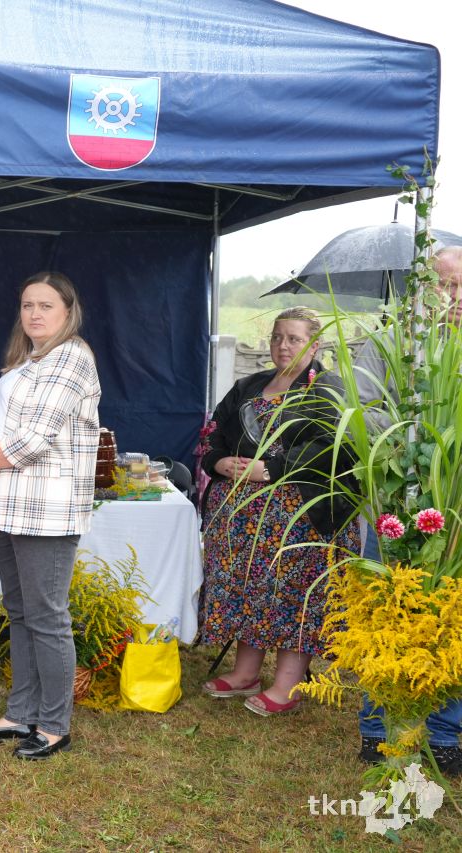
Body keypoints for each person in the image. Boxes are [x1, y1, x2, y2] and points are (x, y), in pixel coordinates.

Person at [0, 271, 101, 761]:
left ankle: (55, 725)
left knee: (47, 618)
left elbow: (32, 441)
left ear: (68, 312)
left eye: (46, 305)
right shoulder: (32, 360)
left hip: (48, 512)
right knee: (21, 613)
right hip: (11, 504)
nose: (35, 314)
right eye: (27, 305)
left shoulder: (72, 358)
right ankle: (21, 712)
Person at [198, 306, 359, 716]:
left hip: (301, 518)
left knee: (293, 595)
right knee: (248, 588)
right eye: (277, 337)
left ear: (314, 344)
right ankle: (246, 673)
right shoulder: (248, 386)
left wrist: (271, 469)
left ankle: (288, 685)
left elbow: (334, 448)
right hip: (242, 518)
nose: (283, 345)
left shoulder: (328, 389)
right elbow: (213, 435)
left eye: (294, 338)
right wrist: (219, 462)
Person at [353, 247, 462, 773]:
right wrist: (409, 437)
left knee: (453, 619)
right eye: (445, 284)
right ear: (421, 289)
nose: (455, 297)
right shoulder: (387, 342)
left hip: (456, 508)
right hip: (394, 503)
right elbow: (359, 408)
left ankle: (445, 733)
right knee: (385, 609)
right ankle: (377, 728)